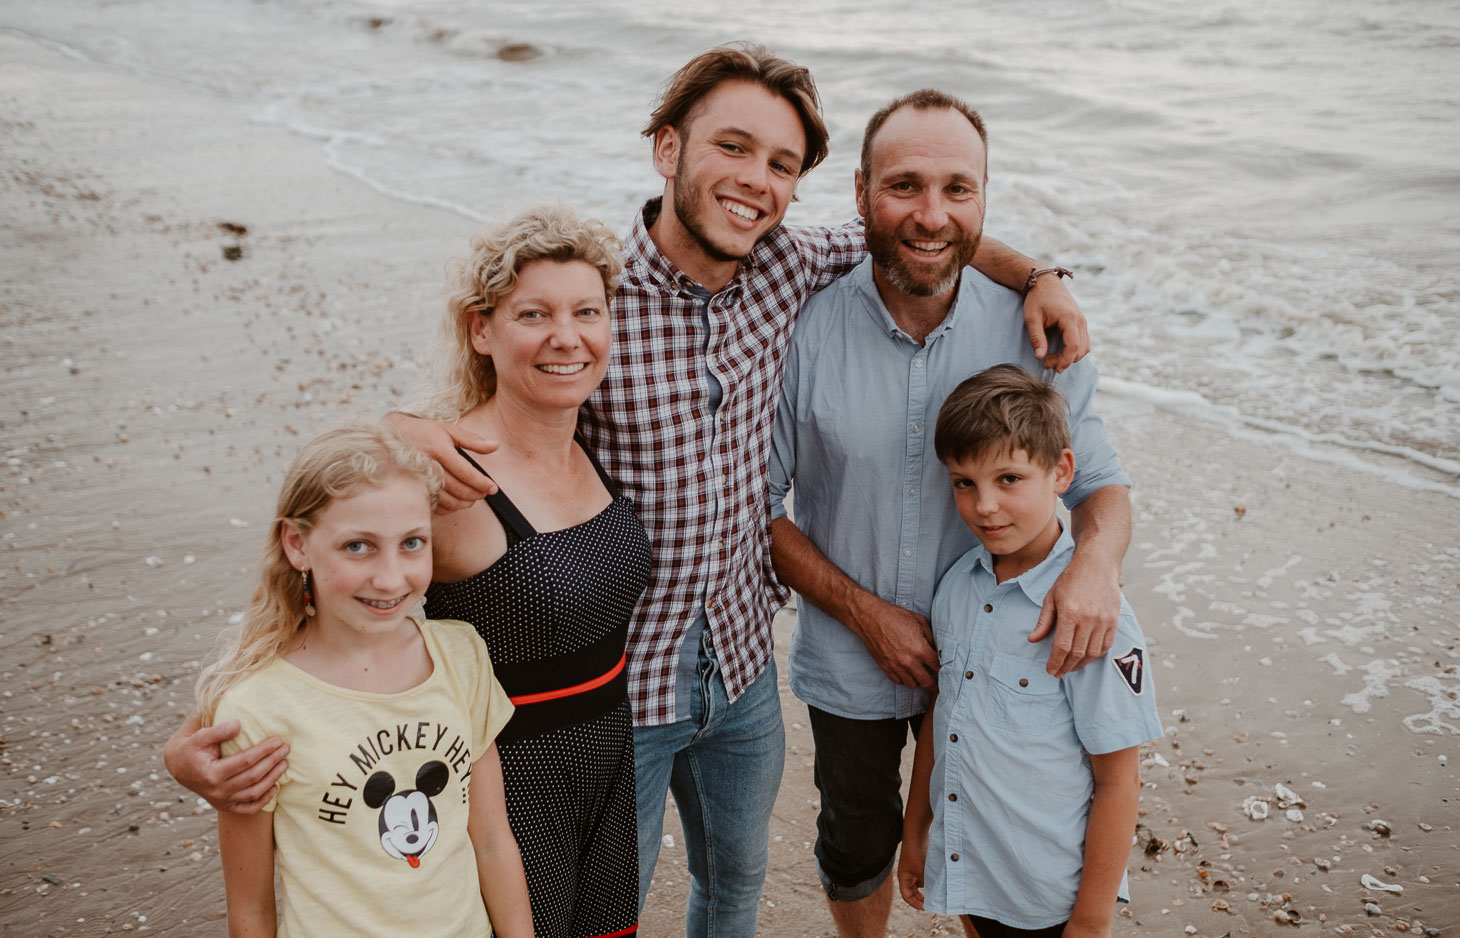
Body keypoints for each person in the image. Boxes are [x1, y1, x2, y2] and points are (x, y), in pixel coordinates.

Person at [167, 43, 1090, 938]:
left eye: (779, 163)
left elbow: (921, 230)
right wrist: (403, 430)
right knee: (602, 899)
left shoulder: (789, 265)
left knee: (735, 887)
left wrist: (1041, 276)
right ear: (668, 148)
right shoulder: (593, 299)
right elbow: (422, 479)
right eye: (732, 147)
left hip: (741, 669)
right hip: (620, 684)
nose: (755, 181)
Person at [767, 90, 1132, 938]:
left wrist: (1095, 566)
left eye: (958, 189)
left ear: (984, 196)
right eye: (904, 186)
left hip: (1005, 661)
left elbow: (1101, 485)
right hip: (848, 655)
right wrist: (865, 614)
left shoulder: (1038, 333)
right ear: (859, 192)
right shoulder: (803, 324)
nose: (932, 215)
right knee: (855, 842)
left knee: (994, 840)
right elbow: (757, 509)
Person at [410, 205, 652, 938]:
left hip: (610, 770)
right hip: (507, 791)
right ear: (481, 330)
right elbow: (315, 595)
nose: (566, 337)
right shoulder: (450, 479)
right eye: (533, 314)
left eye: (587, 311)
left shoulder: (592, 440)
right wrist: (213, 734)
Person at [200, 424, 531, 938]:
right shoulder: (258, 709)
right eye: (358, 546)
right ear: (297, 545)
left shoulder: (460, 655)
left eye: (412, 543)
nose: (391, 577)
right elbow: (251, 909)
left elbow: (491, 841)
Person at [896, 365, 1162, 936]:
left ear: (1061, 471)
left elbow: (1119, 779)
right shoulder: (956, 587)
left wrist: (1090, 923)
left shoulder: (1090, 615)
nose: (984, 506)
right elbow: (943, 721)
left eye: (1009, 479)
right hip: (972, 871)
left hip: (1047, 896)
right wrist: (915, 832)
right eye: (963, 483)